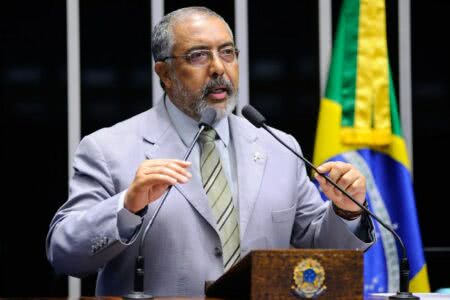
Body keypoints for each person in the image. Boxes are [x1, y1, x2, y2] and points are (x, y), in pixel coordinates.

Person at [46, 6, 374, 297]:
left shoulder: (279, 146)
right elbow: (64, 254)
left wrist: (345, 212)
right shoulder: (109, 148)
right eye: (199, 55)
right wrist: (127, 208)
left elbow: (320, 251)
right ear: (164, 73)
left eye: (227, 52)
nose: (218, 68)